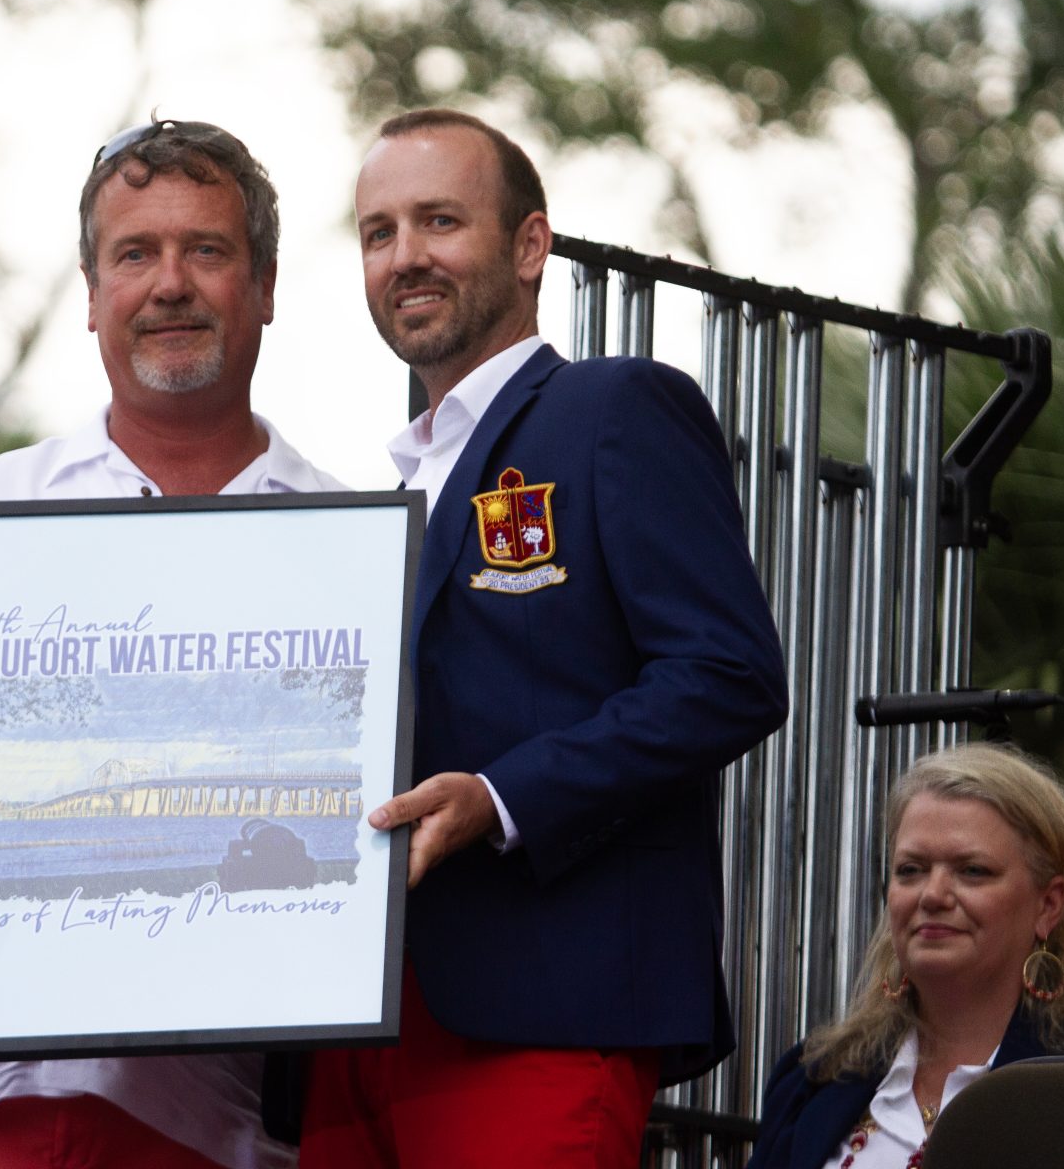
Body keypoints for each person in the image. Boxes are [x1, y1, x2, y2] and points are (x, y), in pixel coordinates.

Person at [0, 118, 339, 1169]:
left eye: (206, 250)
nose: (169, 284)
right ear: (91, 297)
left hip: (208, 1120)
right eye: (134, 254)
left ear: (265, 286)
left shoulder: (343, 541)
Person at [297, 109, 789, 1167]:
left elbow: (729, 674)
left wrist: (501, 797)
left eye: (439, 220)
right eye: (379, 232)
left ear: (530, 246)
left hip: (541, 1006)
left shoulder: (613, 407)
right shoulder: (390, 489)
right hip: (357, 1015)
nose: (405, 255)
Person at [746, 743, 1064, 1169]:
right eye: (911, 870)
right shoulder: (815, 1077)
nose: (932, 894)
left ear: (1048, 905)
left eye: (972, 871)